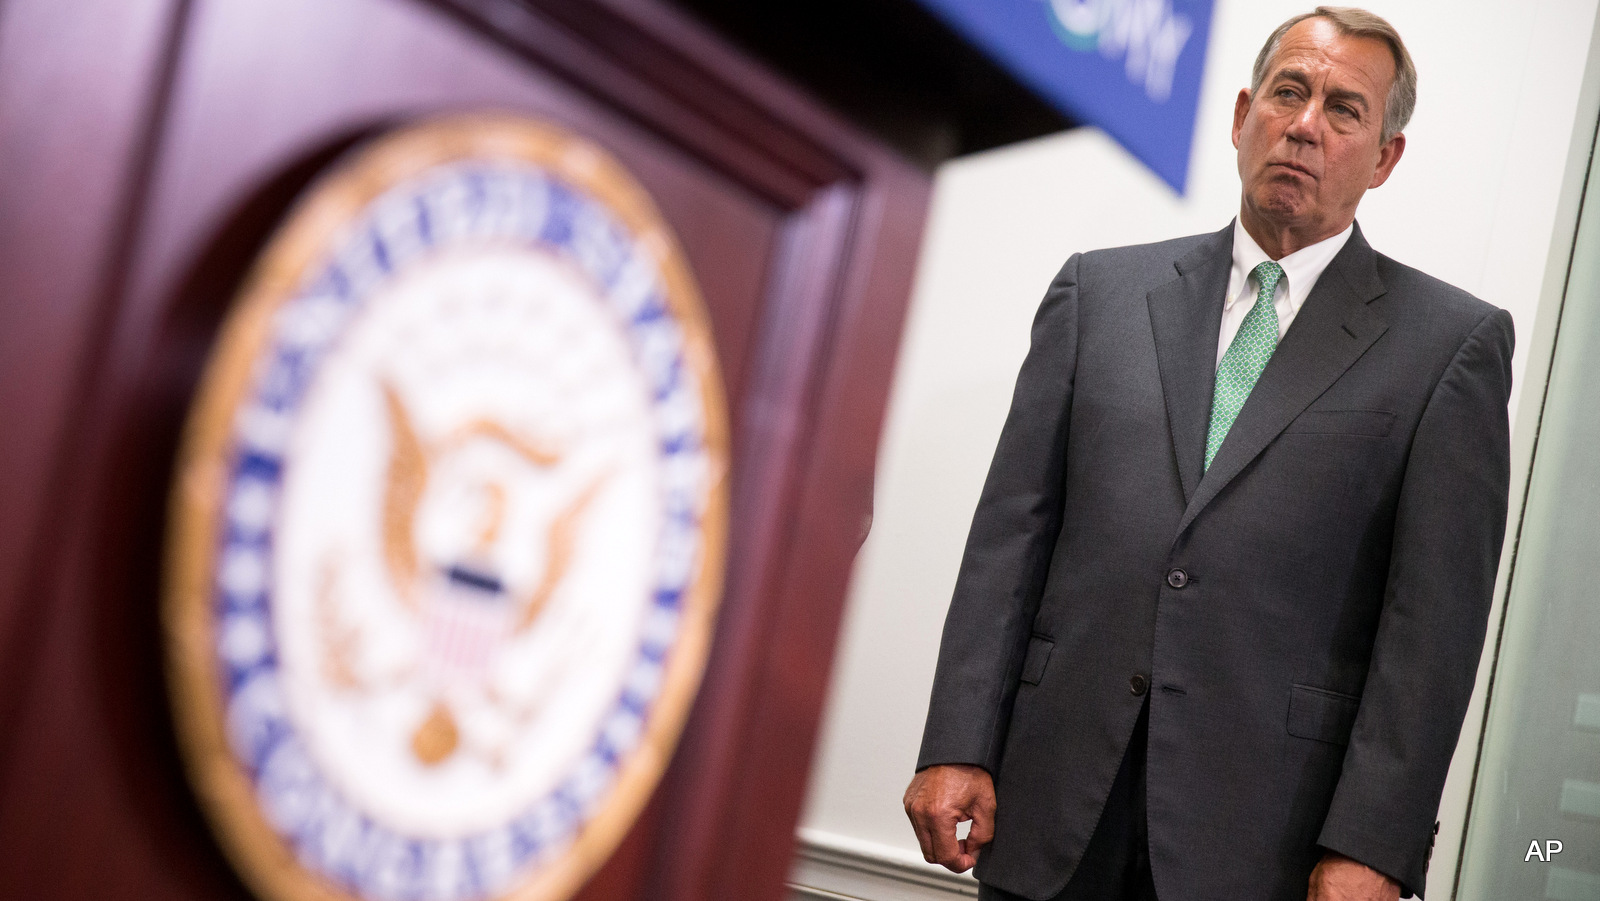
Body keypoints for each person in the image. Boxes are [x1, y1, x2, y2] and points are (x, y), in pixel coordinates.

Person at [903, 7, 1514, 901]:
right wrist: (958, 738)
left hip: (1263, 839)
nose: (1306, 123)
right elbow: (1010, 538)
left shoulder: (1449, 345)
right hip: (1049, 806)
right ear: (1242, 115)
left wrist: (1374, 845)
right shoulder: (1098, 293)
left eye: (1345, 109)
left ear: (1385, 158)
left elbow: (1431, 633)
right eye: (1289, 91)